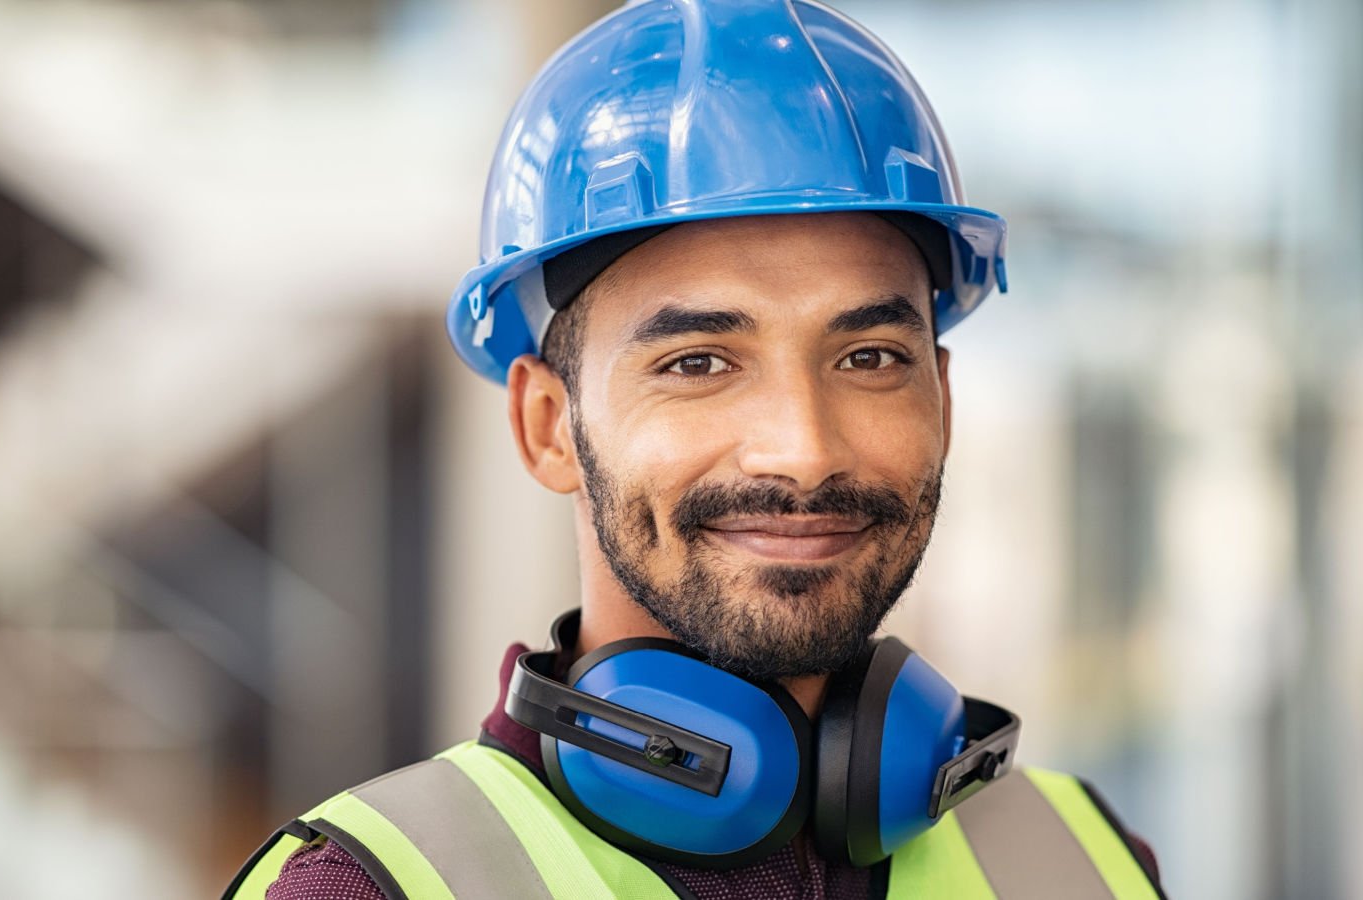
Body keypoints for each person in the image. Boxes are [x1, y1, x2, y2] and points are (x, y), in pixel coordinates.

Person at [225, 1, 1166, 897]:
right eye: (700, 361)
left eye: (871, 356)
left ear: (944, 401)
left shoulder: (1087, 863)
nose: (802, 450)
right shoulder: (363, 890)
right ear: (547, 427)